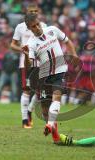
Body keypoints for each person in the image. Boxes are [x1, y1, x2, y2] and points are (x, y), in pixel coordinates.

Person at [22, 13, 78, 143]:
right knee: (45, 110)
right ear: (29, 29)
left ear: (40, 21)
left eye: (37, 24)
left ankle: (50, 125)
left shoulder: (52, 30)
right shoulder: (31, 44)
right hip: (44, 76)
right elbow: (29, 64)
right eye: (33, 27)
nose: (37, 27)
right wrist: (25, 54)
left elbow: (68, 41)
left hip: (60, 71)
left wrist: (74, 55)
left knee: (56, 97)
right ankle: (54, 134)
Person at [10, 3, 47, 128]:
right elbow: (12, 45)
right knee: (26, 90)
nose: (34, 13)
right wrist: (22, 49)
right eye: (31, 11)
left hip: (41, 62)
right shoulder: (20, 27)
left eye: (35, 11)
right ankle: (25, 120)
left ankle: (30, 110)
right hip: (26, 62)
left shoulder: (44, 26)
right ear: (27, 12)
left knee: (39, 92)